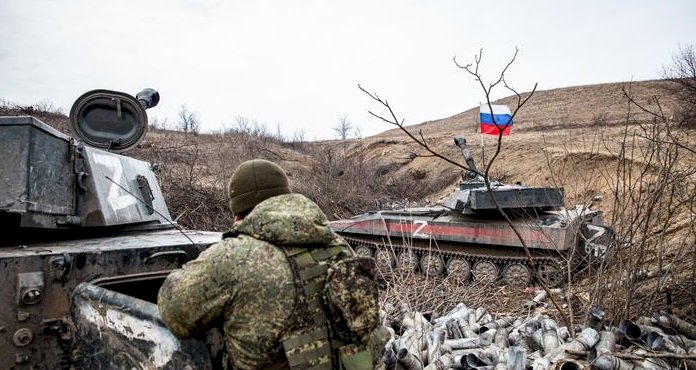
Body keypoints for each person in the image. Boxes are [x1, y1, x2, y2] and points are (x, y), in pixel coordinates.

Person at [158, 159, 386, 370]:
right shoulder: (336, 244)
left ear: (237, 214)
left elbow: (176, 315)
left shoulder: (232, 257)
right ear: (286, 197)